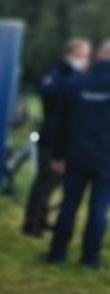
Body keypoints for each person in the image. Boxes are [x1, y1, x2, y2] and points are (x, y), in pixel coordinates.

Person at [47, 39, 110, 269]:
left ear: (98, 55)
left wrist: (57, 155)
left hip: (76, 155)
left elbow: (60, 121)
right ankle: (90, 259)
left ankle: (57, 253)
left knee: (69, 204)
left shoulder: (76, 82)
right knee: (99, 208)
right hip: (106, 159)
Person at [23, 38, 91, 237]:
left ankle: (41, 219)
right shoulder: (58, 74)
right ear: (67, 55)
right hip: (52, 138)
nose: (82, 60)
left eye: (85, 57)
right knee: (45, 182)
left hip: (63, 138)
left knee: (52, 184)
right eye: (78, 56)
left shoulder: (75, 76)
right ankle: (32, 224)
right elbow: (49, 96)